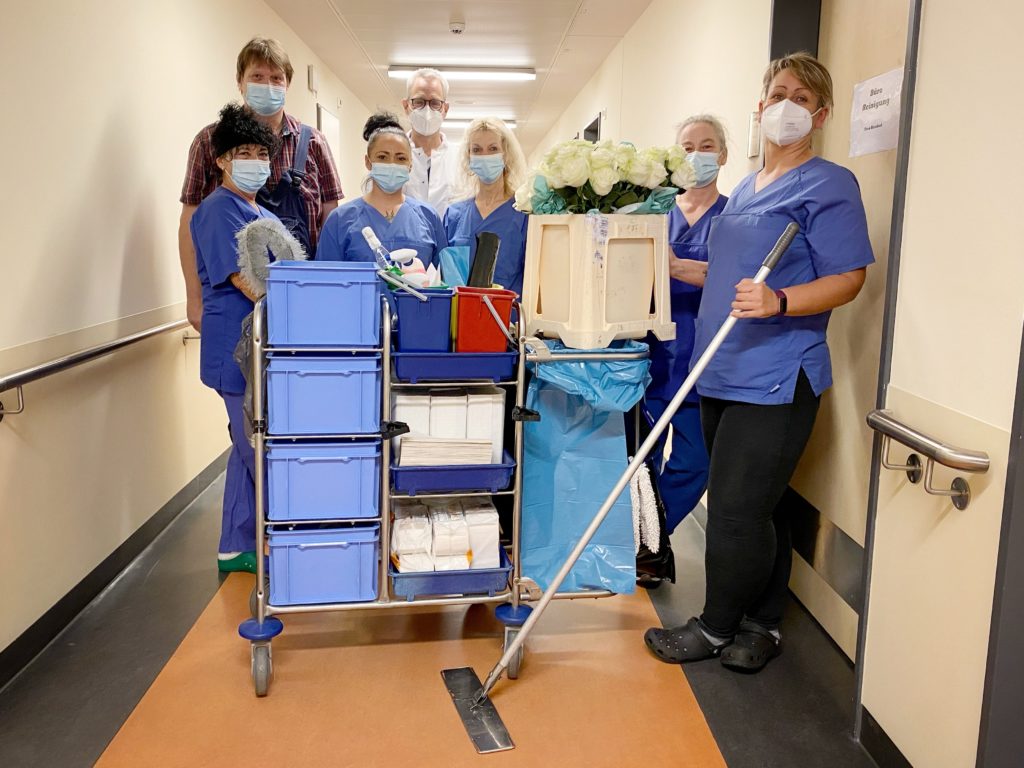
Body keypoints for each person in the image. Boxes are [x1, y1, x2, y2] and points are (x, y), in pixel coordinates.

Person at [644, 52, 874, 672]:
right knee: (760, 510)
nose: (787, 106)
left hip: (776, 375)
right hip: (720, 371)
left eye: (802, 97)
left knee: (737, 513)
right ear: (760, 105)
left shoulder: (829, 183)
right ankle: (765, 622)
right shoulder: (745, 188)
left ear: (820, 114)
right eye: (778, 93)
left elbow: (849, 277)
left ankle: (716, 626)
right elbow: (721, 271)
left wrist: (781, 300)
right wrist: (658, 262)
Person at [179, 37, 343, 330]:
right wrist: (194, 299)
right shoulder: (209, 142)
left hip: (300, 293)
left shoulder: (315, 142)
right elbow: (190, 221)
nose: (267, 85)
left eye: (276, 78)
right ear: (239, 82)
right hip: (229, 298)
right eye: (257, 76)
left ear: (287, 84)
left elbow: (330, 219)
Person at [190, 103, 281, 574]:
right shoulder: (216, 211)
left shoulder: (258, 210)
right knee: (254, 448)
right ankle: (272, 540)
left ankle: (233, 545)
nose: (254, 161)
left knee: (246, 446)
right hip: (235, 350)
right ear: (223, 159)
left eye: (260, 152)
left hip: (259, 349)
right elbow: (247, 280)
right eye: (242, 152)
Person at [642, 115, 729, 553]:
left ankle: (654, 534)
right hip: (651, 353)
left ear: (724, 155)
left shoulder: (735, 216)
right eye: (688, 146)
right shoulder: (654, 213)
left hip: (704, 354)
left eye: (707, 145)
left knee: (696, 461)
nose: (697, 155)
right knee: (643, 456)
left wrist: (676, 268)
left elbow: (737, 280)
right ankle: (642, 540)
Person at [317, 113, 447, 264]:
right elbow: (326, 279)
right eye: (382, 157)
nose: (392, 164)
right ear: (368, 161)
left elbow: (448, 277)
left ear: (410, 165)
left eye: (401, 158)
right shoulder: (340, 220)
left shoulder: (428, 216)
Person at [443, 117, 529, 295]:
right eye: (477, 150)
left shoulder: (523, 213)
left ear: (506, 154)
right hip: (461, 315)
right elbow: (445, 277)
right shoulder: (454, 215)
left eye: (493, 149)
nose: (485, 156)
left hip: (507, 317)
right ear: (469, 156)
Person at [401, 67, 460, 216]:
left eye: (435, 103)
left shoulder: (461, 159)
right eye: (419, 102)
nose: (427, 110)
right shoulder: (392, 158)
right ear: (406, 106)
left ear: (445, 109)